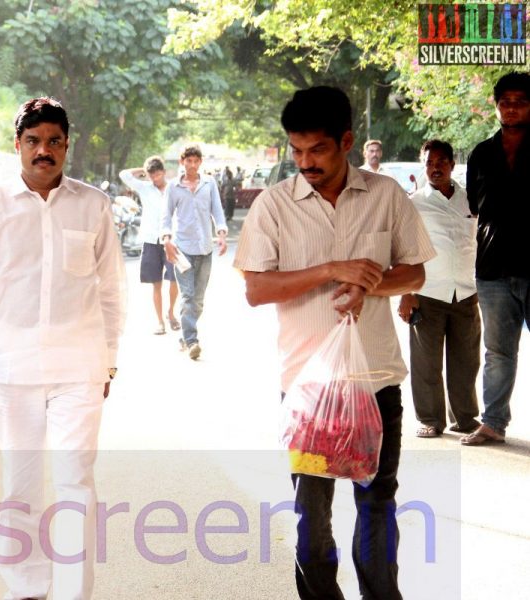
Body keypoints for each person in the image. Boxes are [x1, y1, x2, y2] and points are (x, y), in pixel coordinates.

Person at [234, 86, 435, 600]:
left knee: (377, 503)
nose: (306, 162)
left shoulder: (386, 194)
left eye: (317, 150)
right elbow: (257, 288)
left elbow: (412, 272)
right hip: (307, 388)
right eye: (297, 151)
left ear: (346, 141)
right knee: (311, 513)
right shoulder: (276, 206)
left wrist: (371, 282)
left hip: (376, 381)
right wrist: (328, 269)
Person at [0, 97, 126, 600]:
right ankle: (26, 587)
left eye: (54, 142)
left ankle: (71, 592)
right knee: (19, 487)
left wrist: (108, 358)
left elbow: (111, 288)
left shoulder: (93, 205)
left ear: (67, 145)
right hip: (13, 368)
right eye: (33, 142)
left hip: (80, 367)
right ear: (17, 145)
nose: (44, 151)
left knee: (74, 485)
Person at [462, 71, 530, 446]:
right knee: (498, 352)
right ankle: (492, 423)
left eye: (520, 101)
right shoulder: (482, 154)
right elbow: (475, 204)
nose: (512, 107)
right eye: (505, 101)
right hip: (493, 269)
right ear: (496, 105)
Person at [398, 140, 481, 438]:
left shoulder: (470, 200)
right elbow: (404, 249)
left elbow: (478, 242)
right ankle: (431, 420)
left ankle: (466, 419)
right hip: (427, 293)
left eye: (442, 161)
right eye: (430, 162)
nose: (436, 167)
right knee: (427, 364)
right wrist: (406, 293)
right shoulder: (414, 203)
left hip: (466, 292)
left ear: (452, 164)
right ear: (424, 165)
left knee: (467, 362)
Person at [161, 144, 228, 360]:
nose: (191, 164)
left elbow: (217, 210)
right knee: (188, 296)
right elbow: (166, 216)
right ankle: (192, 341)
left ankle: (184, 334)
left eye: (195, 161)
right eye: (187, 160)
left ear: (200, 162)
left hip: (205, 248)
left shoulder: (209, 184)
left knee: (198, 300)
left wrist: (221, 232)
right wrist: (167, 239)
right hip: (182, 249)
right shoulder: (174, 187)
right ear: (182, 162)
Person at [119, 156, 179, 335]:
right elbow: (124, 175)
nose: (155, 179)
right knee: (156, 283)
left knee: (175, 279)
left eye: (158, 175)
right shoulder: (145, 188)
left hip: (171, 240)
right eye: (152, 175)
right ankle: (160, 321)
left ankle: (171, 313)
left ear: (164, 172)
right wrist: (143, 170)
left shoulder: (173, 188)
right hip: (151, 240)